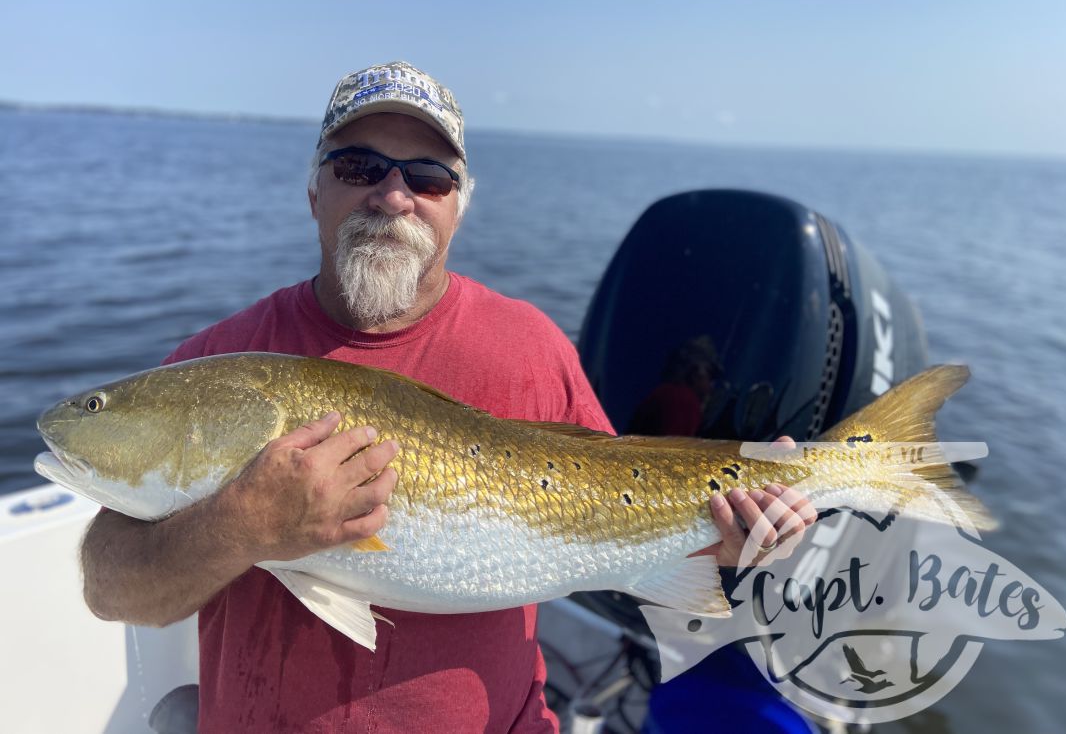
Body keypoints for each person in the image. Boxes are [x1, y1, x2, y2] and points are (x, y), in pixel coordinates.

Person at [80, 61, 817, 733]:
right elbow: (113, 592)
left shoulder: (529, 345)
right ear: (314, 191)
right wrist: (239, 525)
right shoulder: (216, 364)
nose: (392, 196)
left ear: (457, 206)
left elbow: (616, 497)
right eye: (359, 165)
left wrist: (721, 539)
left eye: (427, 177)